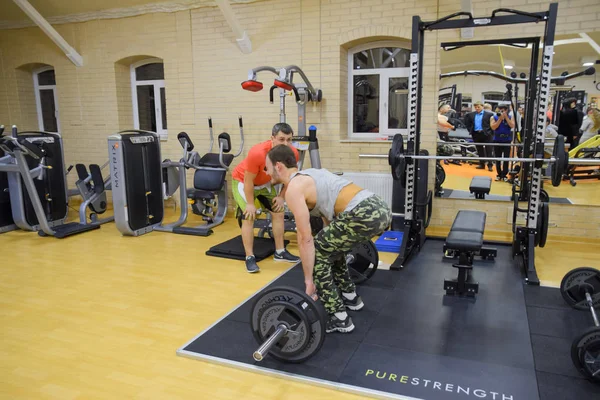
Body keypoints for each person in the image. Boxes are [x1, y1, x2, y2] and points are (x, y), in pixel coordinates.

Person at [264, 144, 392, 333]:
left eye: (267, 168)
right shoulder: (311, 174)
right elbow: (328, 220)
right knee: (331, 248)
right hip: (379, 207)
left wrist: (309, 280)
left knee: (318, 252)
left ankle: (340, 318)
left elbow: (305, 239)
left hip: (363, 212)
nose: (266, 173)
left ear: (279, 166)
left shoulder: (294, 189)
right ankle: (351, 298)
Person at [231, 123, 300, 273]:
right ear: (272, 138)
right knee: (249, 216)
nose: (286, 144)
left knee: (278, 211)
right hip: (243, 181)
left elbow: (290, 177)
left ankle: (280, 252)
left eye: (289, 140)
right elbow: (249, 181)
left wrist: (281, 197)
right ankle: (249, 257)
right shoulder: (258, 153)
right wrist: (250, 204)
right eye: (282, 139)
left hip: (264, 183)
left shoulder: (293, 153)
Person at [464, 100, 495, 171]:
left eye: (478, 107)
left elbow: (491, 124)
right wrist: (470, 130)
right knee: (479, 149)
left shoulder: (489, 114)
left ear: (482, 107)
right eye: (475, 107)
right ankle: (482, 164)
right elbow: (467, 123)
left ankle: (490, 165)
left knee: (489, 149)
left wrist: (490, 132)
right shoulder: (471, 115)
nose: (477, 108)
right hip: (476, 133)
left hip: (486, 134)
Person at [490, 104, 515, 181]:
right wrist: (500, 119)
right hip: (497, 139)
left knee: (506, 158)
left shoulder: (510, 117)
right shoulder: (493, 117)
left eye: (503, 110)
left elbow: (512, 125)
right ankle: (499, 174)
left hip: (507, 139)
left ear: (506, 110)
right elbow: (493, 127)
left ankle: (504, 175)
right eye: (500, 109)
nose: (501, 111)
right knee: (498, 158)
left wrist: (506, 118)